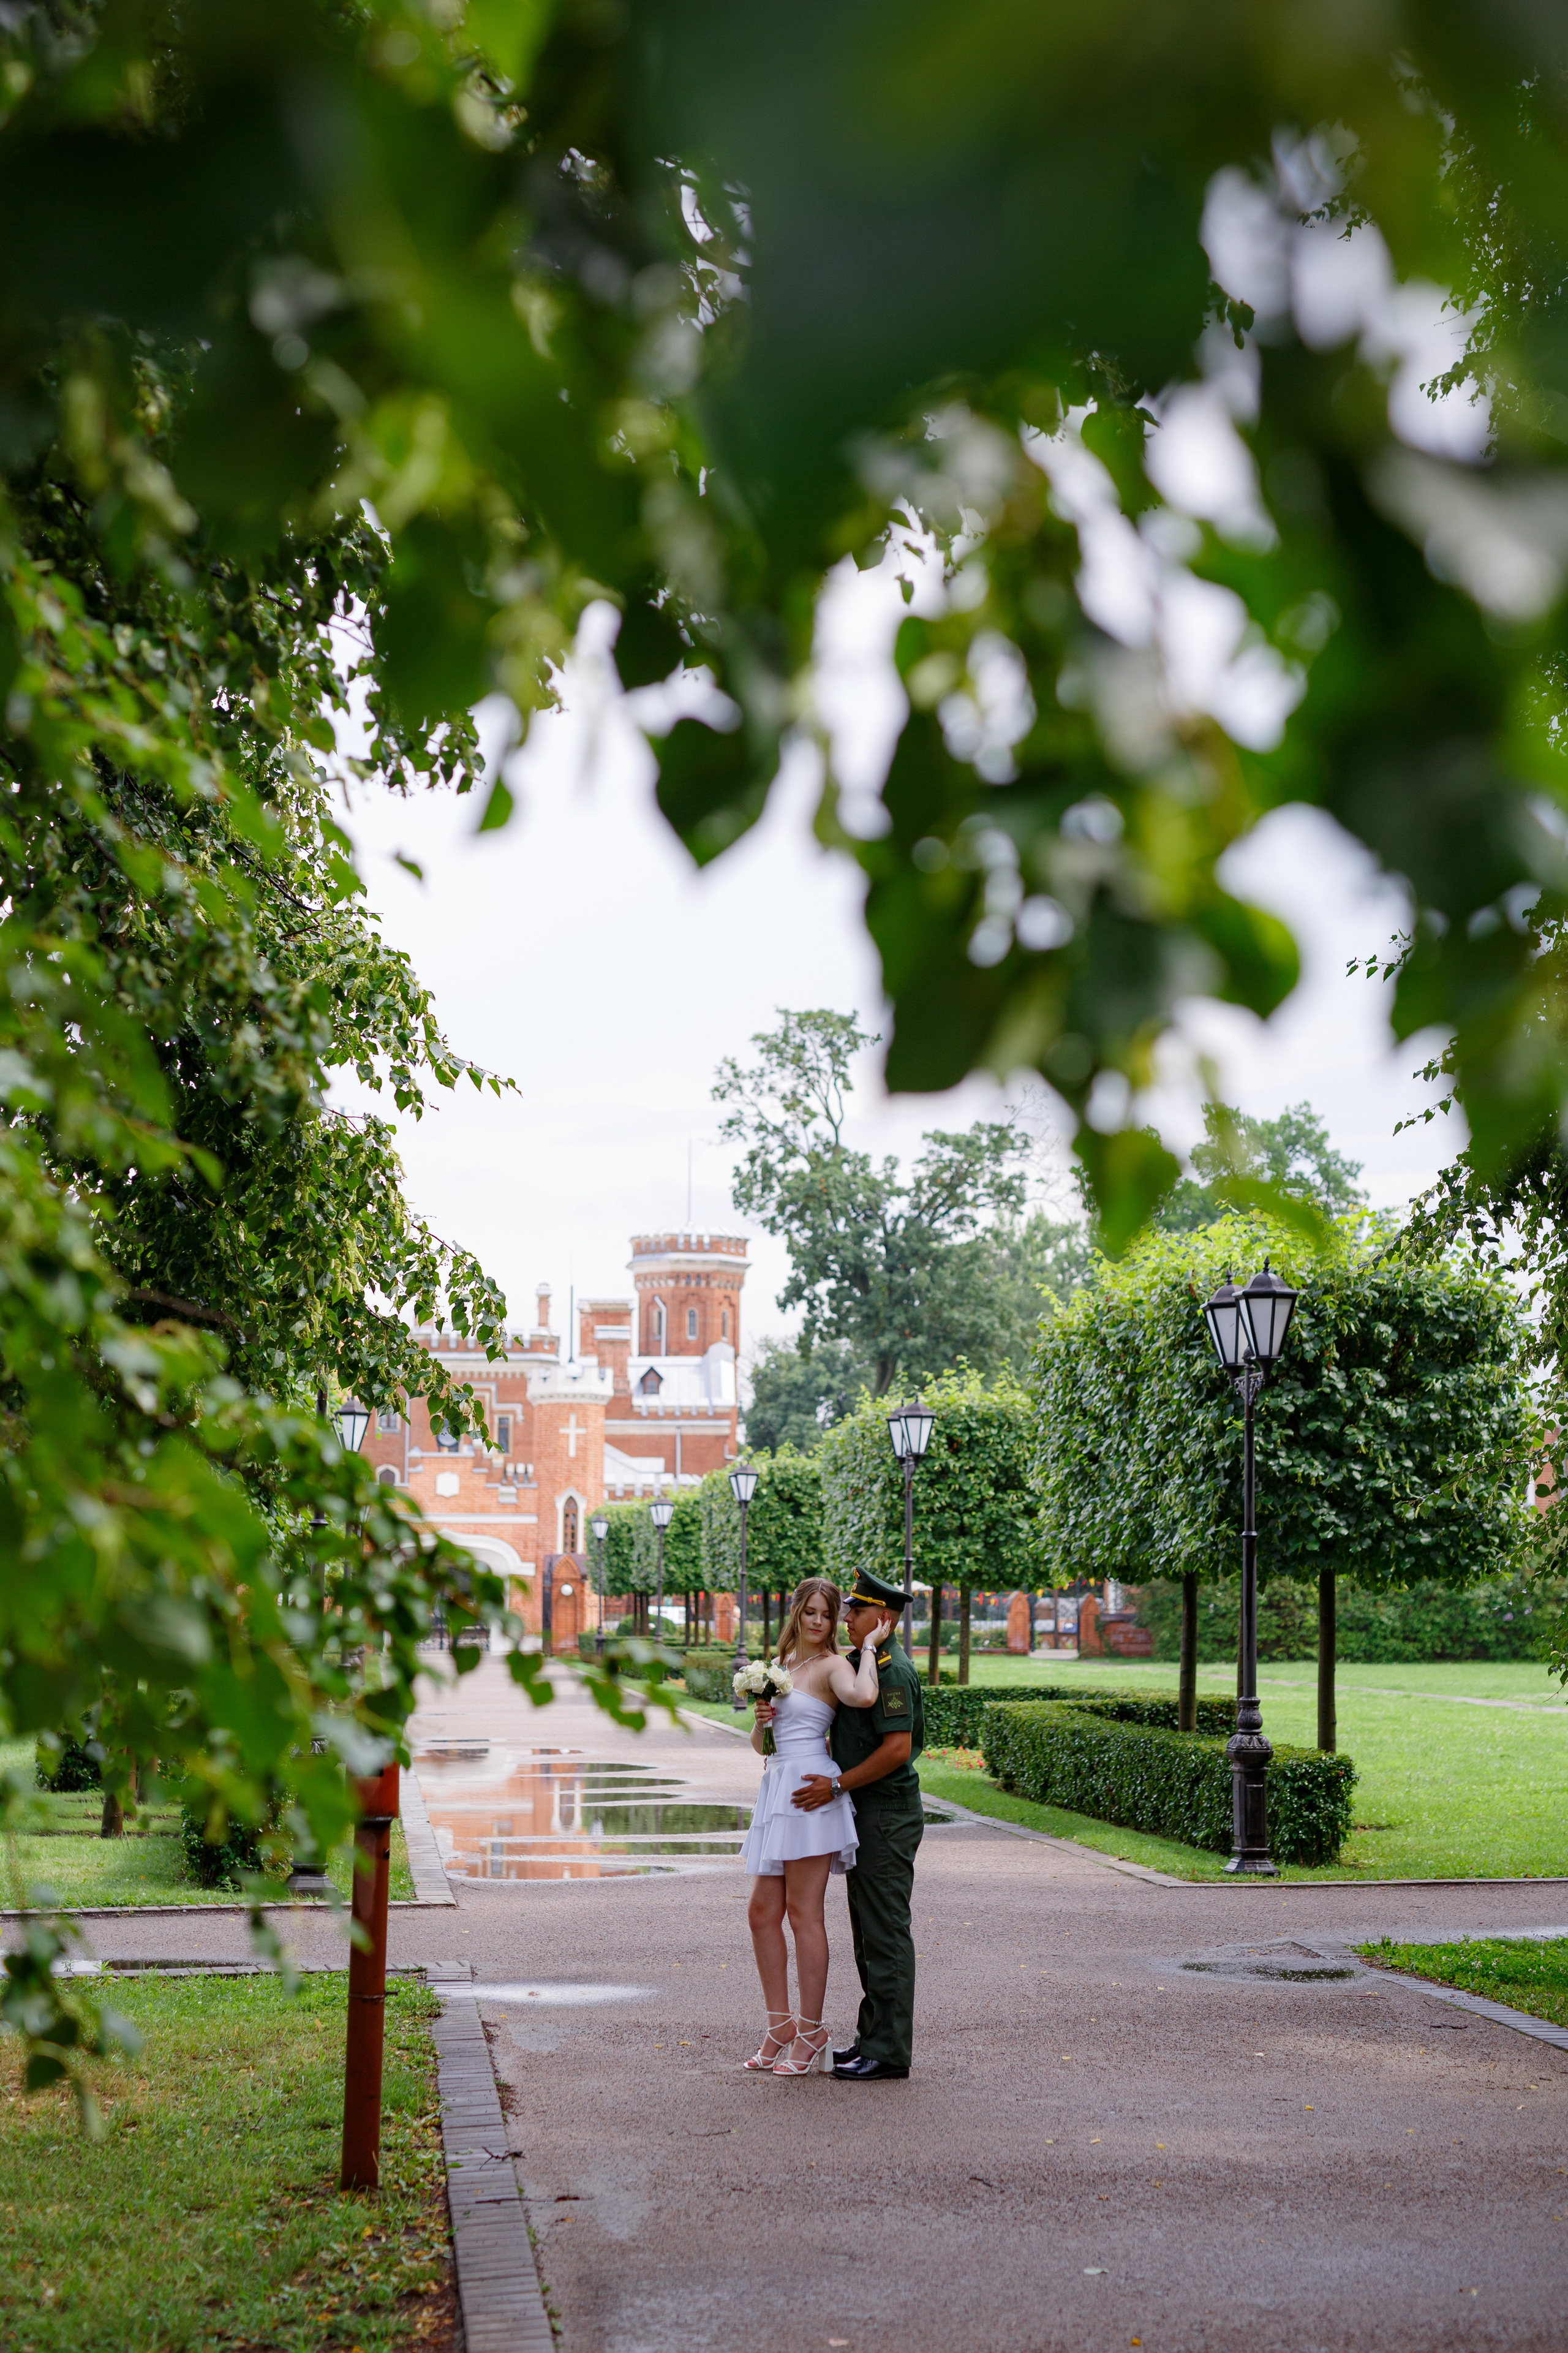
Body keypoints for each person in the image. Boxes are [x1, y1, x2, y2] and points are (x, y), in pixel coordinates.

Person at [738, 1576, 882, 2076]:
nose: (819, 1622)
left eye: (828, 1613)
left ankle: (811, 2028)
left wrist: (865, 1649)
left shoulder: (832, 1665)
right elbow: (761, 1746)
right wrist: (760, 1719)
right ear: (797, 1612)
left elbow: (863, 1697)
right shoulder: (779, 1668)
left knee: (804, 1915)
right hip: (777, 1788)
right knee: (761, 1912)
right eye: (812, 1612)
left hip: (811, 1790)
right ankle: (779, 2023)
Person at [790, 1568, 925, 2081]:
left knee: (886, 1933)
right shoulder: (863, 1663)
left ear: (883, 1619)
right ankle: (872, 2039)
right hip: (866, 1812)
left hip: (885, 1814)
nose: (845, 1617)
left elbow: (897, 1749)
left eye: (856, 1610)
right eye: (846, 1609)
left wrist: (838, 1784)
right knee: (868, 1935)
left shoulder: (890, 1672)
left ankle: (889, 2050)